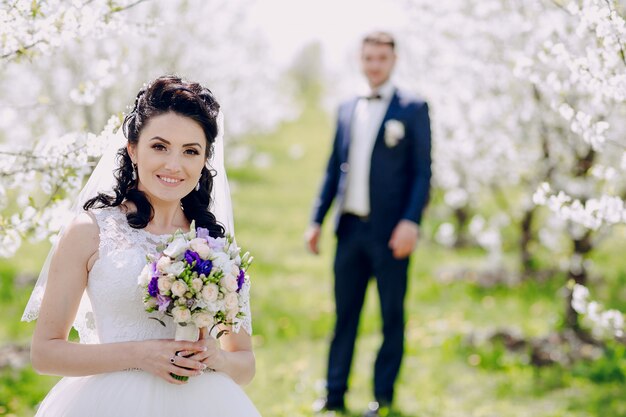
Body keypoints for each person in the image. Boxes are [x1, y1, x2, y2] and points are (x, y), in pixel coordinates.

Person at [21, 75, 261, 417]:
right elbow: (45, 354)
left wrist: (217, 357)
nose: (174, 165)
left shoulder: (214, 246)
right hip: (110, 403)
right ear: (133, 149)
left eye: (190, 151)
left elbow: (245, 363)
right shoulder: (90, 232)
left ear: (205, 159)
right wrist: (141, 354)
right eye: (159, 147)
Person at [305, 31, 432, 416]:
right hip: (350, 229)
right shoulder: (347, 107)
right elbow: (333, 168)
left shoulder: (413, 108)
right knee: (345, 315)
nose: (374, 65)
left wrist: (410, 222)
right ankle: (334, 393)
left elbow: (422, 172)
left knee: (391, 315)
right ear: (360, 60)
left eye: (381, 58)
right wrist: (316, 219)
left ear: (393, 61)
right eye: (368, 58)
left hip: (392, 232)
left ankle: (383, 397)